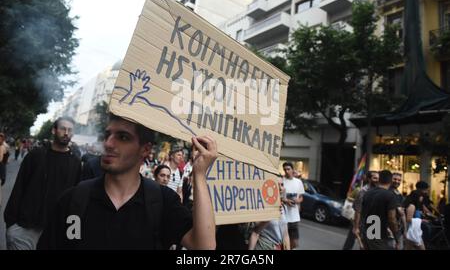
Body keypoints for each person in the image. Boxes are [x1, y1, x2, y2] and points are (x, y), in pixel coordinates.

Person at [37, 114, 217, 250]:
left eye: (123, 137)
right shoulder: (74, 199)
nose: (108, 143)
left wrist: (199, 174)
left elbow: (204, 246)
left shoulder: (162, 202)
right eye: (107, 135)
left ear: (145, 149)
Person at [4, 117, 82, 250]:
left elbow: (75, 200)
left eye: (70, 130)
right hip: (25, 228)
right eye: (63, 128)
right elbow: (19, 187)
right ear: (54, 130)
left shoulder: (75, 163)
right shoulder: (36, 155)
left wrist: (73, 234)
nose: (66, 133)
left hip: (54, 232)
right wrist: (11, 224)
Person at [360, 170, 400, 250]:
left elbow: (362, 213)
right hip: (378, 236)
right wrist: (396, 237)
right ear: (391, 180)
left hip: (367, 233)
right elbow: (392, 219)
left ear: (379, 179)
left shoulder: (368, 193)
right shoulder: (390, 196)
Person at [248, 181, 290, 250]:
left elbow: (285, 235)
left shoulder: (284, 207)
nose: (280, 188)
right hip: (263, 246)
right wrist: (271, 214)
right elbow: (255, 233)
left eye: (282, 185)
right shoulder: (264, 206)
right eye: (276, 185)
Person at [352, 170, 379, 248]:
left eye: (378, 178)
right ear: (369, 179)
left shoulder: (379, 191)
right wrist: (356, 227)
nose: (377, 180)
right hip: (366, 225)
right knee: (365, 246)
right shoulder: (363, 192)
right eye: (375, 178)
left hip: (377, 225)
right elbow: (358, 211)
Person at [281, 162, 304, 250]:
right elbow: (277, 198)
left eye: (288, 169)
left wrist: (298, 200)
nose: (286, 171)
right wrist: (286, 201)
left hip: (294, 217)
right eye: (285, 169)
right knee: (283, 241)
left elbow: (301, 197)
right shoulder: (281, 181)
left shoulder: (298, 182)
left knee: (295, 243)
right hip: (283, 216)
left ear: (292, 170)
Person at [390, 172, 407, 249]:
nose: (397, 181)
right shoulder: (389, 192)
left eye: (399, 180)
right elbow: (401, 213)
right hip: (391, 228)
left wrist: (405, 230)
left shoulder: (398, 193)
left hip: (398, 227)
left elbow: (402, 213)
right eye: (395, 179)